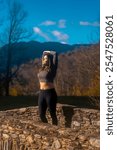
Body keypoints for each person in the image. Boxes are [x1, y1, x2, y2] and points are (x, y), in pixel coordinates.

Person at [37, 50, 58, 125]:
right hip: (41, 93)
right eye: (44, 58)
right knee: (41, 114)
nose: (45, 60)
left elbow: (55, 54)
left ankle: (55, 130)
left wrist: (46, 51)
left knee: (53, 114)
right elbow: (43, 56)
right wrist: (44, 54)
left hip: (50, 93)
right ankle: (48, 129)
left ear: (49, 60)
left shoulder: (52, 69)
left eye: (46, 58)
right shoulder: (41, 69)